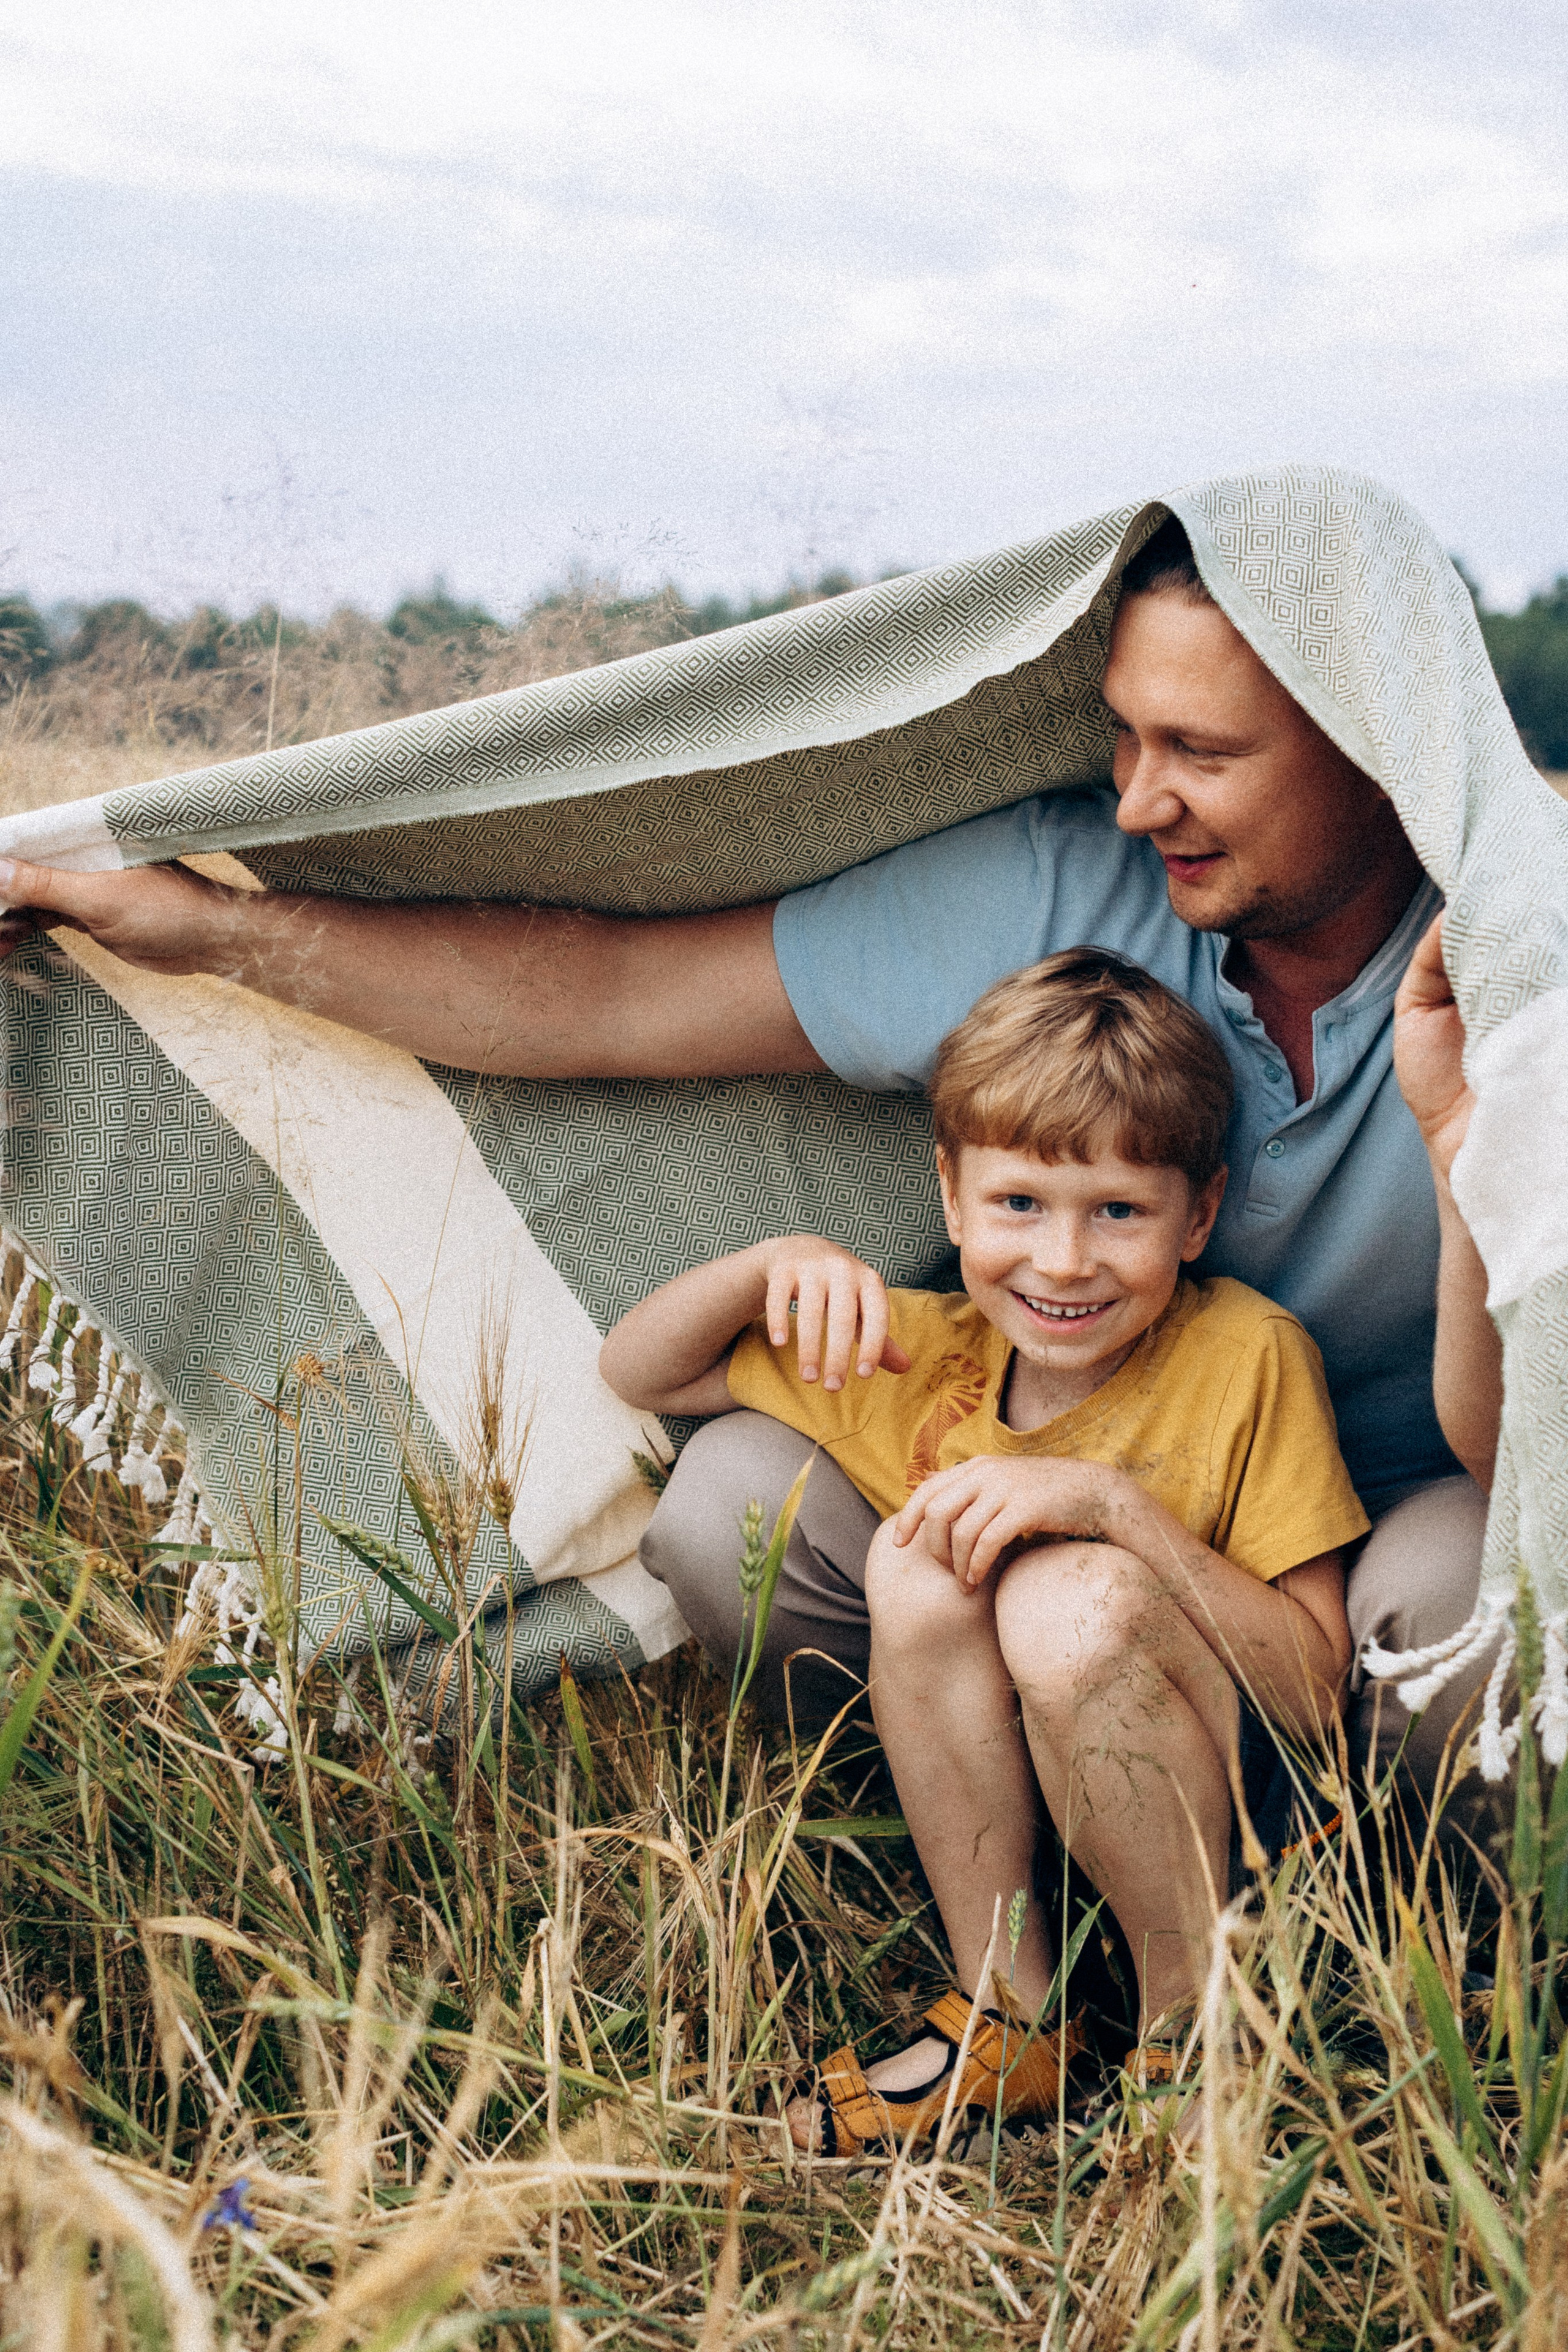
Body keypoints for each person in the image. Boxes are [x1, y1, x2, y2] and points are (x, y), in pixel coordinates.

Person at [0, 518, 1503, 1787]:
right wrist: (202, 932)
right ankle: (986, 1887)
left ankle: (1377, 1947)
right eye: (1120, 731)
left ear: (1377, 744)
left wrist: (1454, 1142)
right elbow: (605, 995)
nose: (1133, 796)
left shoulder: (1521, 983)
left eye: (1200, 751)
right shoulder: (1055, 887)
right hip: (1018, 1481)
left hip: (1371, 1544)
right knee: (738, 1501)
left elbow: (1516, 1449)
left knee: (1459, 1595)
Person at [600, 949, 1370, 2151]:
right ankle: (1008, 2012)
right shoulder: (927, 1354)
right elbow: (643, 1371)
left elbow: (1315, 1689)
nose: (1061, 1262)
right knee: (917, 1553)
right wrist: (767, 1265)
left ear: (1198, 1214)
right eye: (1017, 1205)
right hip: (1009, 1805)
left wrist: (1119, 1516)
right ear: (951, 1198)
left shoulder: (1244, 1356)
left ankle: (1191, 2034)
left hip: (1225, 1808)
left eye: (1117, 1211)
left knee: (1068, 1594)